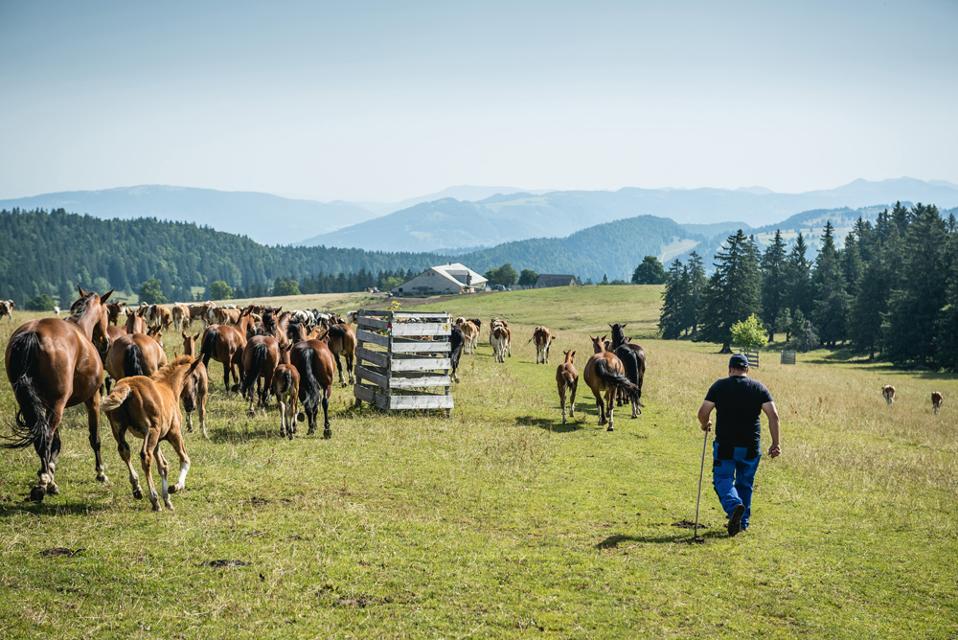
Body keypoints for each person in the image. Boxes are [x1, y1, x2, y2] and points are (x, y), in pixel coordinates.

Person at [696, 353, 781, 536]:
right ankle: (742, 523)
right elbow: (773, 415)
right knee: (745, 483)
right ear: (747, 369)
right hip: (750, 446)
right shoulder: (759, 388)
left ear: (729, 369)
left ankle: (734, 506)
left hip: (725, 445)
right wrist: (775, 444)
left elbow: (703, 411)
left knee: (723, 479)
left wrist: (705, 424)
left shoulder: (719, 386)